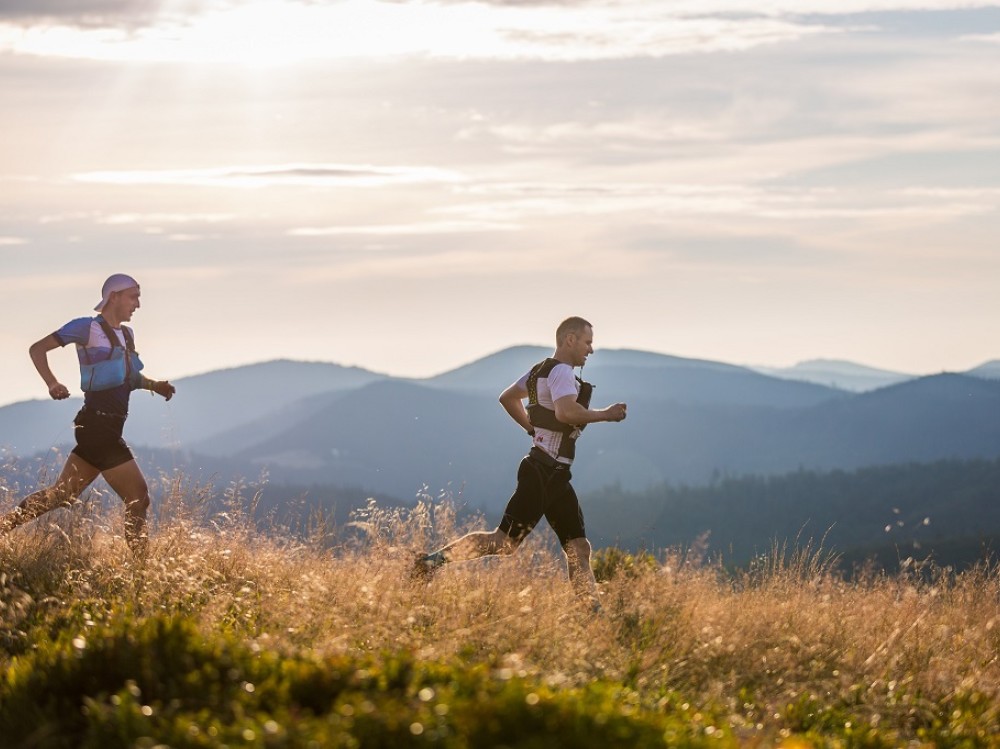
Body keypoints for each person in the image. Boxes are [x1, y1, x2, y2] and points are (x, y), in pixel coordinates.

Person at [414, 316, 627, 608]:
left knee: (579, 548)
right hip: (542, 472)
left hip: (555, 475)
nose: (590, 350)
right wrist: (606, 414)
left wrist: (532, 428)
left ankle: (591, 613)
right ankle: (429, 563)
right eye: (587, 342)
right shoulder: (562, 372)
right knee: (503, 543)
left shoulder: (539, 370)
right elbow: (566, 413)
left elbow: (507, 398)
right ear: (570, 340)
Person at [0, 274, 175, 556]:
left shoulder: (127, 336)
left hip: (105, 427)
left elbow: (127, 377)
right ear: (113, 297)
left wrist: (155, 385)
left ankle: (3, 527)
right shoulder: (86, 328)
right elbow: (37, 349)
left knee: (61, 495)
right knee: (138, 496)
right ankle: (143, 570)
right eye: (133, 297)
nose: (138, 304)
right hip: (97, 426)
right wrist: (52, 383)